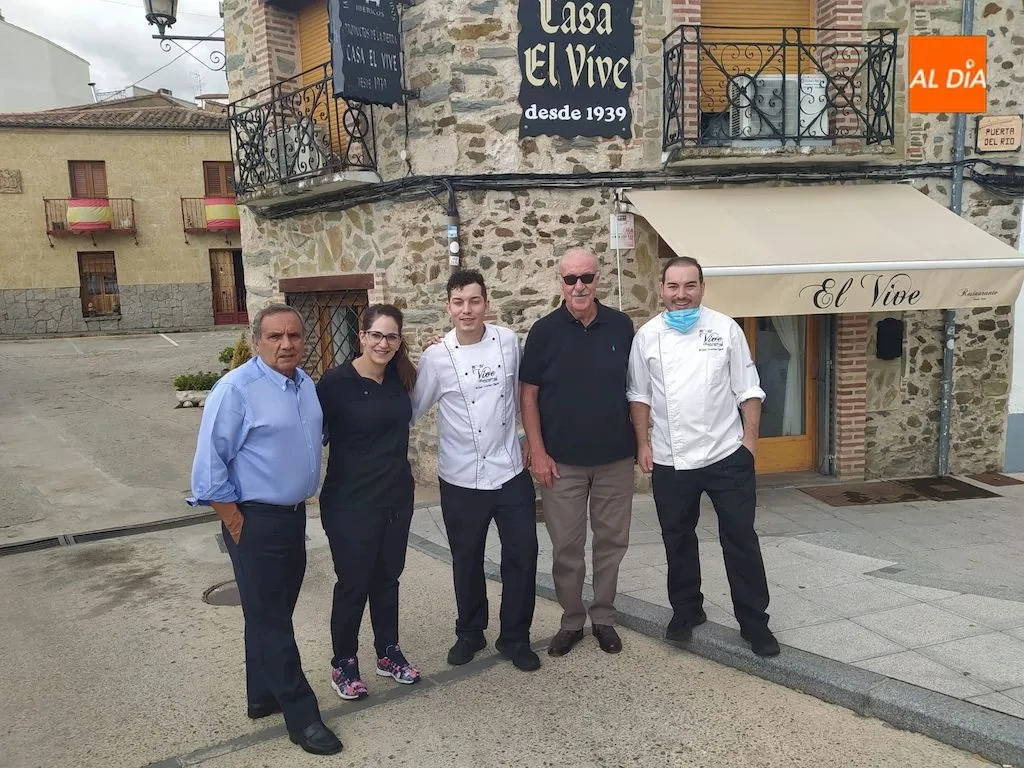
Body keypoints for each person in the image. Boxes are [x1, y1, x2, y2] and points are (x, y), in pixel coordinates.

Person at [189, 303, 343, 756]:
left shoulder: (305, 384)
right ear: (257, 341)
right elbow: (208, 469)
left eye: (294, 335)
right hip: (254, 521)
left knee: (269, 612)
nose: (286, 344)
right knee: (273, 620)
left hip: (293, 518)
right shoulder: (235, 390)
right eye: (275, 336)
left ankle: (262, 695)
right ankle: (303, 717)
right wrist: (236, 522)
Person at [626, 256, 780, 657]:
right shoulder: (647, 337)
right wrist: (643, 444)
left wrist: (749, 444)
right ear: (661, 289)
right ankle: (686, 611)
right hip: (672, 458)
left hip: (726, 454)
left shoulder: (726, 329)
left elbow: (749, 390)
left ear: (702, 288)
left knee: (740, 538)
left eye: (689, 285)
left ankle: (755, 623)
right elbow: (639, 396)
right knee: (677, 539)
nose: (681, 295)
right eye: (673, 286)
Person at [411, 269, 540, 672]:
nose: (466, 310)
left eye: (474, 301)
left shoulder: (508, 342)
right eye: (458, 302)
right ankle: (470, 631)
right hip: (461, 476)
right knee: (466, 559)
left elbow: (523, 396)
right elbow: (412, 408)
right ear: (448, 307)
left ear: (486, 303)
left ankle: (515, 637)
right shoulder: (436, 357)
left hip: (509, 470)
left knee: (523, 554)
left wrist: (529, 440)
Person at [519, 247, 637, 657]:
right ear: (561, 283)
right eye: (571, 279)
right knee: (567, 547)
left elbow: (637, 389)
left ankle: (603, 617)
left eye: (586, 277)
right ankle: (571, 620)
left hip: (615, 459)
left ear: (598, 279)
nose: (579, 286)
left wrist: (642, 443)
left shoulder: (621, 326)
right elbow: (528, 395)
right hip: (561, 463)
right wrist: (537, 451)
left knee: (611, 544)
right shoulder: (544, 331)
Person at [316, 304, 422, 702]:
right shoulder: (335, 383)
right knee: (353, 583)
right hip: (349, 502)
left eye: (391, 336)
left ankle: (387, 652)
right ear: (361, 336)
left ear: (399, 340)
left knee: (387, 578)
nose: (383, 343)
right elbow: (308, 433)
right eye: (375, 335)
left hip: (396, 498)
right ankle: (343, 662)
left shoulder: (401, 377)